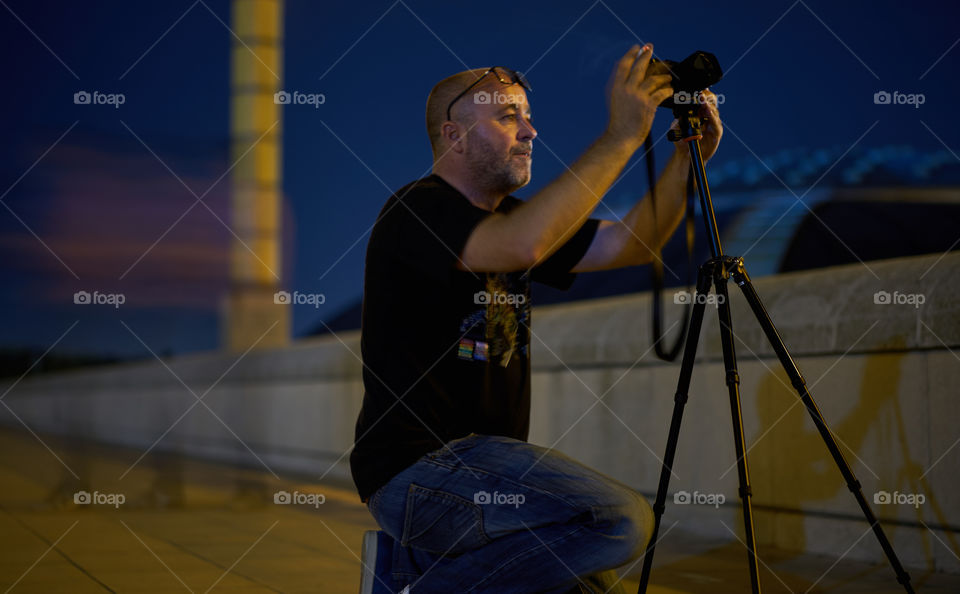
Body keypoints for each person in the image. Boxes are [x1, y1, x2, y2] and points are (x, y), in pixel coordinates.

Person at [350, 43, 722, 594]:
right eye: (507, 117)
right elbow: (521, 247)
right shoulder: (417, 209)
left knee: (592, 585)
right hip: (419, 471)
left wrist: (688, 157)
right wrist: (622, 134)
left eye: (527, 116)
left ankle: (403, 576)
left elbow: (631, 244)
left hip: (488, 467)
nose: (530, 132)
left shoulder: (512, 217)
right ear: (454, 136)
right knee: (616, 520)